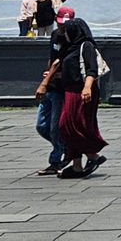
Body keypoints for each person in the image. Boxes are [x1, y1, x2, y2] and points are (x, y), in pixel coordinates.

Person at [56, 16, 106, 177]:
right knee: (71, 125)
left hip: (81, 91)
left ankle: (93, 154)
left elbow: (92, 69)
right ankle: (77, 165)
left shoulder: (87, 46)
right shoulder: (70, 48)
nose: (65, 34)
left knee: (69, 124)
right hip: (70, 90)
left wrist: (87, 88)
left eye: (67, 30)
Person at [32, 21, 69, 175]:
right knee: (42, 126)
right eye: (60, 23)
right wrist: (48, 74)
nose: (62, 27)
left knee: (55, 129)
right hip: (51, 87)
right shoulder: (54, 35)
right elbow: (52, 58)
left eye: (65, 25)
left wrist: (48, 79)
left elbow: (63, 64)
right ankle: (66, 148)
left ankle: (55, 161)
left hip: (62, 89)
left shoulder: (72, 38)